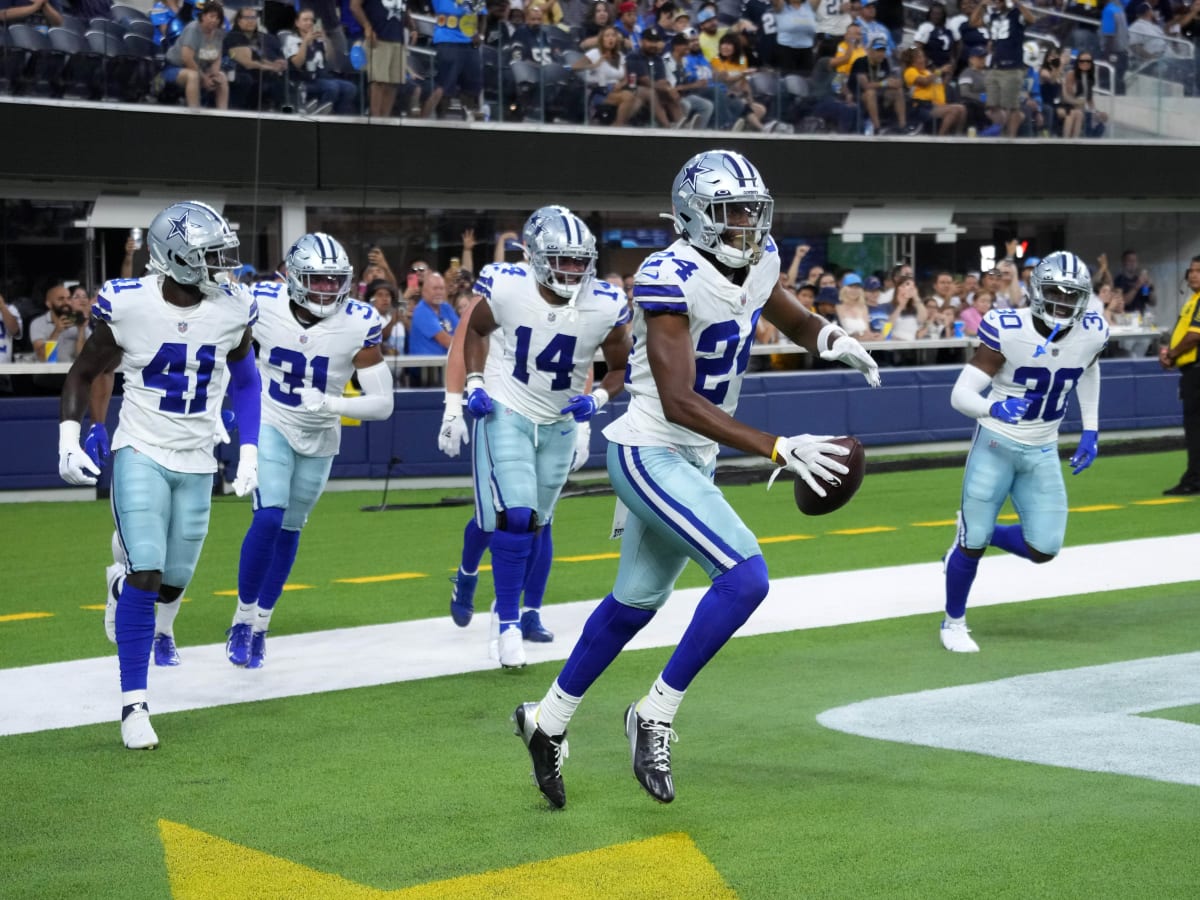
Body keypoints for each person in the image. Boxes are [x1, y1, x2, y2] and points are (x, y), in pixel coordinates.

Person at [512, 150, 881, 809]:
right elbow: (680, 400)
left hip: (691, 457)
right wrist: (776, 447)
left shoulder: (760, 259)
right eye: (732, 211)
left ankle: (548, 721)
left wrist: (833, 340)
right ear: (694, 216)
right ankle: (653, 713)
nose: (747, 222)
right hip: (651, 446)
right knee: (745, 578)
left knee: (635, 602)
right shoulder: (667, 275)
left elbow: (794, 320)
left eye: (752, 209)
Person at [57, 200, 262, 749]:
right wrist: (69, 436)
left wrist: (249, 448)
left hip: (197, 459)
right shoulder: (129, 304)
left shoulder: (232, 308)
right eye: (211, 256)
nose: (225, 267)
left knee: (172, 582)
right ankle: (134, 706)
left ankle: (119, 583)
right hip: (141, 449)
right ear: (177, 258)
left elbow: (246, 380)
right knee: (149, 571)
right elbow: (84, 370)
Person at [462, 206, 632, 667]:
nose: (573, 269)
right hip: (510, 408)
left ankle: (520, 611)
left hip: (560, 420)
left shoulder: (606, 302)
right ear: (535, 256)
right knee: (514, 515)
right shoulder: (507, 286)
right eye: (563, 258)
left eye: (581, 260)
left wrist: (597, 399)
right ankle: (508, 625)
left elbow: (620, 367)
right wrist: (474, 381)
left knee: (538, 521)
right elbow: (476, 330)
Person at [225, 234, 393, 669]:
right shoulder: (261, 301)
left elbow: (383, 404)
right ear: (295, 277)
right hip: (271, 421)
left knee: (290, 529)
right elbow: (221, 346)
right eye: (316, 279)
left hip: (320, 435)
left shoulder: (359, 321)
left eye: (333, 280)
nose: (324, 289)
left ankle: (262, 623)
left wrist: (333, 405)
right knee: (268, 515)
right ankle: (242, 620)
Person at [940, 251, 1107, 653]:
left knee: (1044, 548)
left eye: (1072, 296)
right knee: (973, 541)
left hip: (1043, 448)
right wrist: (992, 406)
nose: (1063, 304)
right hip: (995, 443)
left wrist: (1091, 429)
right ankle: (953, 622)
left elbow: (1088, 367)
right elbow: (960, 394)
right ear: (1036, 291)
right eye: (1055, 293)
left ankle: (973, 533)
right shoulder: (1008, 328)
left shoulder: (1093, 331)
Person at [1158, 256, 1200, 495]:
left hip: (1197, 374)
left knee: (1195, 429)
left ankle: (1194, 479)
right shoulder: (1193, 300)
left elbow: (1195, 336)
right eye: (1191, 271)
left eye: (1198, 271)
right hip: (1191, 371)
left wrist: (1172, 354)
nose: (1193, 275)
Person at [163, 0, 230, 110]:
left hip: (201, 69)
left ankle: (223, 114)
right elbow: (187, 58)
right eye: (211, 16)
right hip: (175, 67)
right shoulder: (193, 29)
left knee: (221, 77)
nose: (215, 20)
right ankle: (195, 112)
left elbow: (217, 57)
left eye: (218, 18)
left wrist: (213, 74)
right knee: (193, 76)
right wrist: (204, 78)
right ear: (203, 16)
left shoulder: (219, 32)